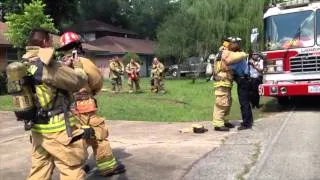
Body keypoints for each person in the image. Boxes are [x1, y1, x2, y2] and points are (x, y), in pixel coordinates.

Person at [21, 29, 89, 180]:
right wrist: (77, 66)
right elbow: (78, 82)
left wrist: (61, 66)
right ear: (45, 42)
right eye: (51, 41)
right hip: (59, 131)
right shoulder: (47, 66)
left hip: (38, 131)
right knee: (71, 169)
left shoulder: (26, 64)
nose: (52, 44)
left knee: (39, 171)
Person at [58, 32, 126, 177]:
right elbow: (96, 81)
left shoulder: (59, 65)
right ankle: (107, 167)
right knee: (98, 134)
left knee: (76, 137)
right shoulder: (83, 61)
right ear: (79, 44)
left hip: (67, 108)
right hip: (85, 106)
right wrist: (90, 92)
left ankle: (79, 167)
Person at [212, 38, 248, 131]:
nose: (236, 45)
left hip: (225, 82)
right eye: (234, 43)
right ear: (228, 45)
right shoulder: (225, 52)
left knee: (227, 102)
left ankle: (224, 121)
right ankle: (218, 124)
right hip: (222, 82)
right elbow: (239, 56)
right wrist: (245, 53)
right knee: (221, 104)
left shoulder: (223, 52)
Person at [223, 36, 253, 130]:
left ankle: (246, 123)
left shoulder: (237, 57)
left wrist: (222, 66)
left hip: (243, 80)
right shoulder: (238, 55)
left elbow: (229, 68)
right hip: (244, 80)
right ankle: (249, 120)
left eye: (231, 43)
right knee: (246, 102)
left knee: (243, 102)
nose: (229, 45)